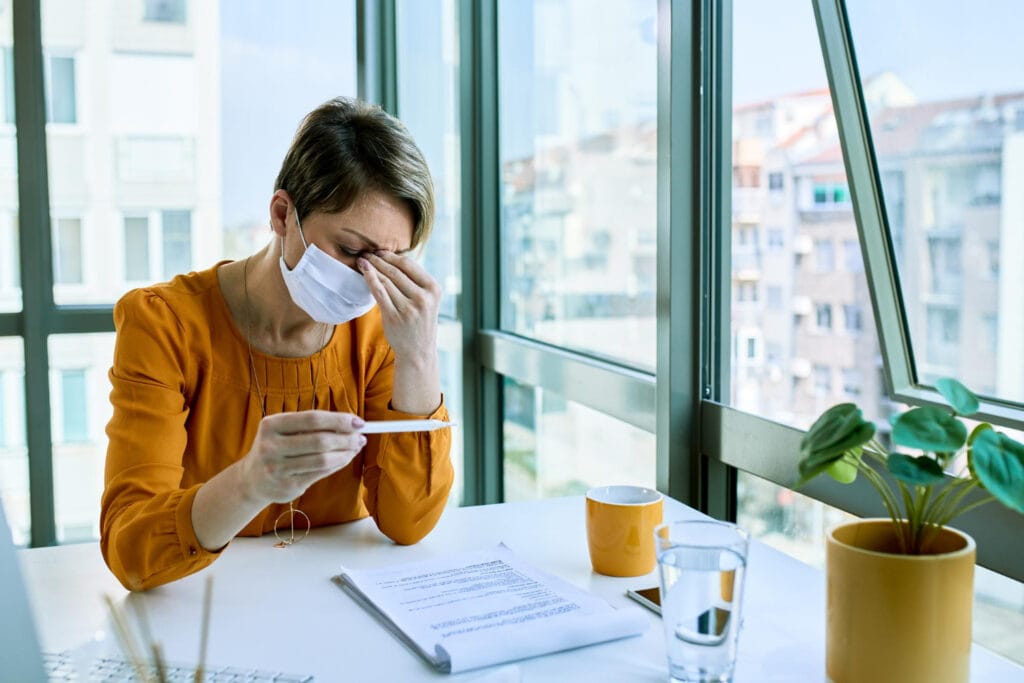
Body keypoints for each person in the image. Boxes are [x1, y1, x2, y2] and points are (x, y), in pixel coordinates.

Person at [100, 97, 453, 591]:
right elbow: (130, 549)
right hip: (206, 606)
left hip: (337, 603)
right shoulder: (165, 325)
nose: (369, 279)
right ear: (283, 214)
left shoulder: (381, 332)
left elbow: (409, 523)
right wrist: (250, 483)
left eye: (392, 260)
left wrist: (419, 356)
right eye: (350, 250)